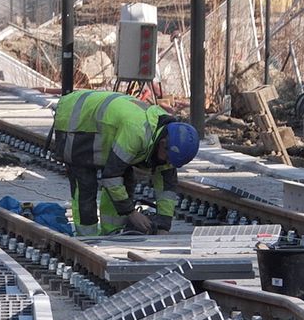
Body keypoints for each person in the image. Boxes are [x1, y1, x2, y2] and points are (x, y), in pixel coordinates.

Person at [48, 89, 200, 236]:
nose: (167, 162)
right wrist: (131, 213)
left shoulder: (166, 137)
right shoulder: (137, 132)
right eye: (167, 158)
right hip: (76, 120)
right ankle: (86, 237)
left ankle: (111, 232)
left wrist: (163, 226)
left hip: (102, 124)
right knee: (85, 184)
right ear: (163, 143)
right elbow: (111, 176)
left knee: (125, 181)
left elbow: (167, 187)